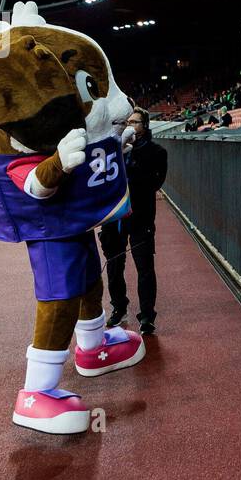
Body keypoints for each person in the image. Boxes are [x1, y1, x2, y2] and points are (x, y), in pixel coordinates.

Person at [98, 108, 167, 335]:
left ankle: (147, 316)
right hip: (114, 219)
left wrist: (132, 167)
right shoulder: (111, 151)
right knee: (114, 267)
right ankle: (119, 308)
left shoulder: (157, 152)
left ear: (145, 126)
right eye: (127, 122)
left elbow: (155, 183)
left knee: (144, 268)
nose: (130, 126)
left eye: (135, 122)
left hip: (141, 218)